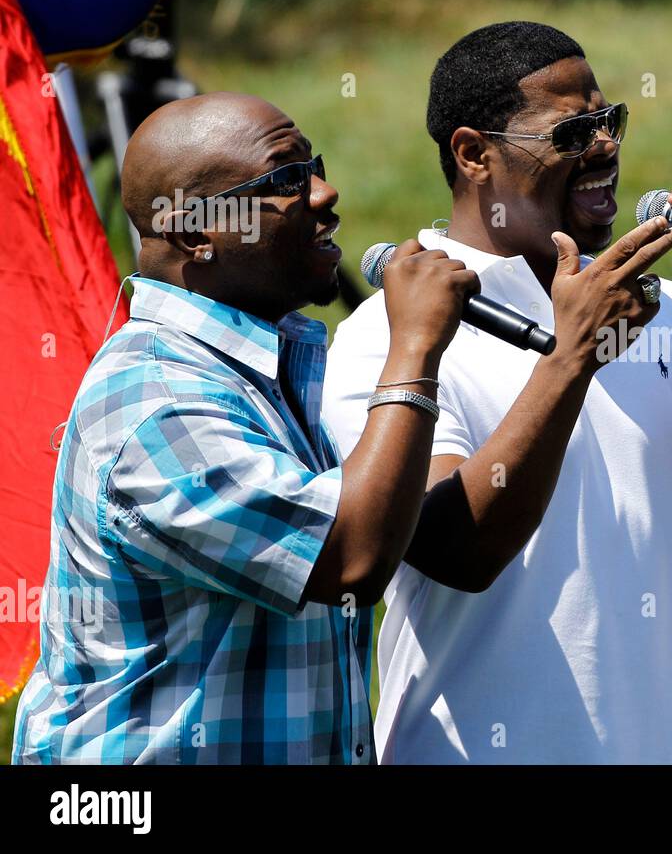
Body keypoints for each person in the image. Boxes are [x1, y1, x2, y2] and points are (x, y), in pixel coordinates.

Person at [322, 21, 672, 764]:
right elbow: (457, 550)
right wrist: (573, 352)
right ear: (473, 153)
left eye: (609, 120)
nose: (606, 146)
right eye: (573, 130)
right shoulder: (392, 332)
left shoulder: (659, 310)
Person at [12, 92, 479, 763]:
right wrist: (414, 348)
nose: (324, 192)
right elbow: (348, 560)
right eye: (285, 179)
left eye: (312, 165)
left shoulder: (258, 367)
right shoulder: (160, 401)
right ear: (195, 233)